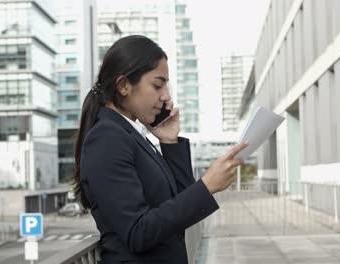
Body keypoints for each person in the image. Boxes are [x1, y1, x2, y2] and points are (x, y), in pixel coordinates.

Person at [72, 35, 248, 264]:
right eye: (157, 85)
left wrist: (169, 142)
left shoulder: (130, 134)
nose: (166, 95)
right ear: (124, 85)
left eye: (166, 85)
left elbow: (181, 201)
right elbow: (137, 232)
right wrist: (206, 186)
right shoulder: (106, 138)